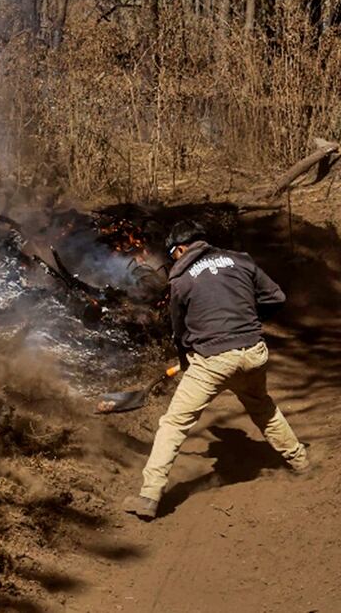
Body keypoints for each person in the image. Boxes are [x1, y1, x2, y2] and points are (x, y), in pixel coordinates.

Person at [126, 221, 309, 521]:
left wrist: (187, 354)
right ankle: (301, 462)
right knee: (263, 408)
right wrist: (248, 318)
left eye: (173, 255)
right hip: (253, 353)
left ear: (181, 249)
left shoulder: (182, 280)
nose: (173, 260)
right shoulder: (241, 260)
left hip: (212, 360)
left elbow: (178, 331)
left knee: (173, 425)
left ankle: (149, 496)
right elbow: (277, 298)